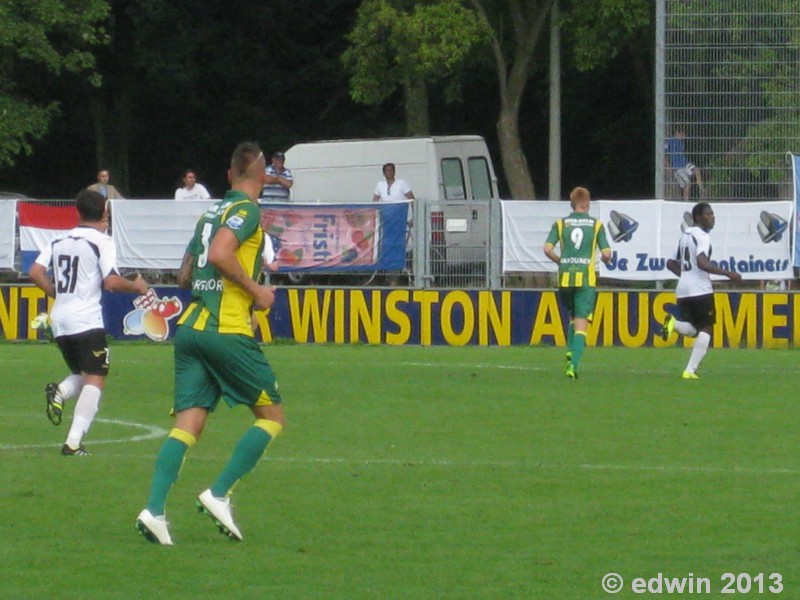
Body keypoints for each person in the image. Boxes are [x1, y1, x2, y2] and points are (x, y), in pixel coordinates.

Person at [136, 142, 283, 546]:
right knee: (272, 416)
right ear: (263, 175)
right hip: (226, 328)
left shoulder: (209, 213)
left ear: (228, 173)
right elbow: (221, 254)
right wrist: (256, 290)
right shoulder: (248, 212)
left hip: (191, 329)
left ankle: (154, 510)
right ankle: (218, 492)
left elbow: (185, 274)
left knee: (188, 424)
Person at [27, 190, 149, 455]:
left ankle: (60, 393)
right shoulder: (102, 241)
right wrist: (137, 286)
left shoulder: (58, 239)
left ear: (77, 211)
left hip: (60, 320)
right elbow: (112, 282)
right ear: (105, 212)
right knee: (96, 379)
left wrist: (56, 294)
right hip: (85, 320)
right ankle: (72, 442)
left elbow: (35, 272)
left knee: (85, 375)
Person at [662, 202, 741, 378]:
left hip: (683, 290)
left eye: (712, 214)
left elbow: (670, 262)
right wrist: (728, 273)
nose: (712, 217)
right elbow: (702, 262)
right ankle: (690, 371)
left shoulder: (685, 236)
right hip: (700, 289)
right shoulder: (703, 236)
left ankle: (674, 324)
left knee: (693, 329)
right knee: (706, 329)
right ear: (698, 217)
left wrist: (684, 276)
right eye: (708, 214)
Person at [543, 187, 612, 379]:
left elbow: (547, 248)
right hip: (585, 279)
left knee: (572, 316)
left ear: (572, 203)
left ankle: (570, 350)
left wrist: (560, 261)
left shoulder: (560, 224)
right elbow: (606, 254)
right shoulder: (596, 226)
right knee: (582, 324)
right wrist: (607, 259)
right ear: (587, 203)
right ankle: (572, 365)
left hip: (565, 279)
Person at [664, 128, 704, 201]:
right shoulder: (669, 141)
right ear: (677, 133)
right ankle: (686, 201)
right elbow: (664, 154)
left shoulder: (681, 142)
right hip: (677, 167)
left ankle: (701, 190)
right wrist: (668, 166)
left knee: (697, 170)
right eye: (682, 134)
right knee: (687, 184)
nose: (684, 136)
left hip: (685, 164)